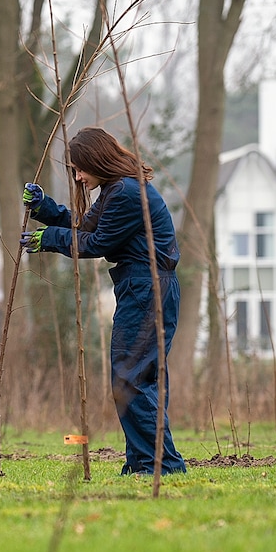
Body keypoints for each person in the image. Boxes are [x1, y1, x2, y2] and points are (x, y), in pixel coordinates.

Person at [20, 126, 187, 475]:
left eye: (80, 169)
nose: (78, 177)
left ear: (98, 160)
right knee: (139, 379)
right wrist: (44, 208)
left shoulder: (125, 192)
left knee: (131, 379)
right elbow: (85, 226)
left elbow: (97, 243)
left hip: (146, 288)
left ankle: (162, 465)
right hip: (146, 286)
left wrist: (49, 239)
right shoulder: (119, 189)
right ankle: (144, 463)